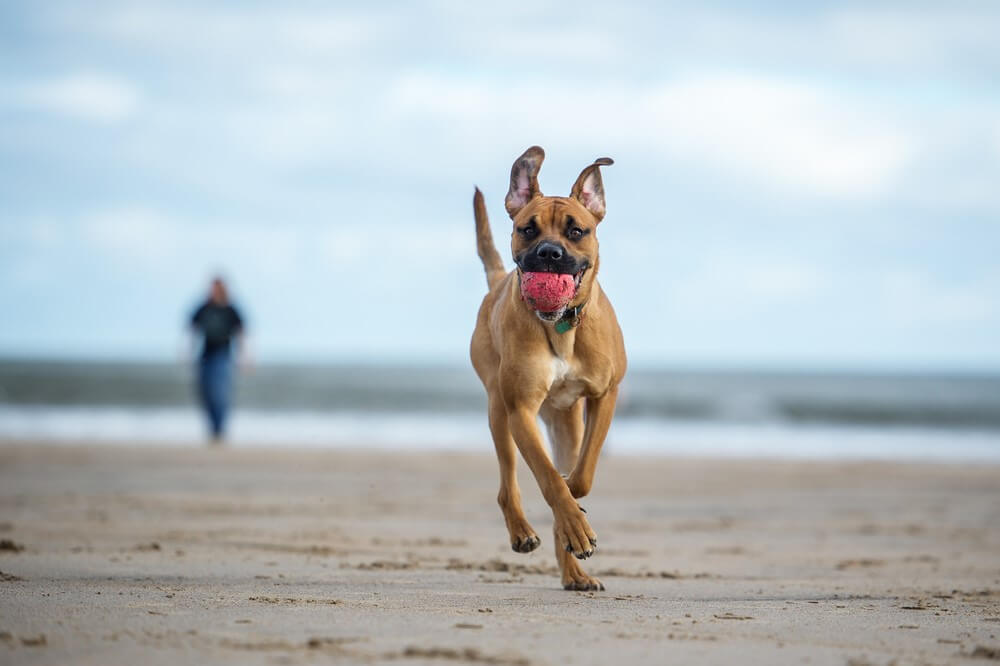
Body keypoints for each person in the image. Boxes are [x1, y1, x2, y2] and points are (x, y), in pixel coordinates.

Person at [189, 277, 245, 442]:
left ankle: (220, 430)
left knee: (220, 394)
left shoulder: (230, 310)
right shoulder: (203, 308)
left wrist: (244, 356)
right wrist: (189, 351)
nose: (212, 291)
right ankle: (213, 429)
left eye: (215, 288)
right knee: (205, 393)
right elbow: (193, 328)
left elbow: (241, 332)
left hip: (224, 356)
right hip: (205, 355)